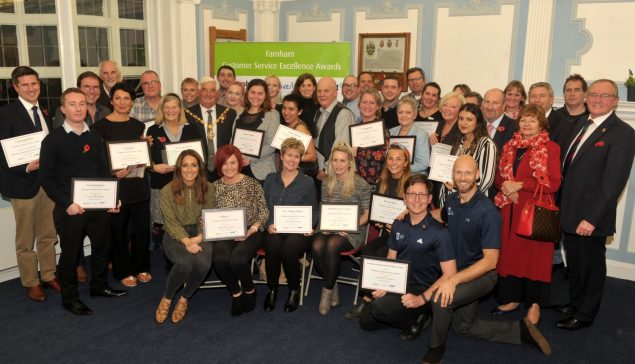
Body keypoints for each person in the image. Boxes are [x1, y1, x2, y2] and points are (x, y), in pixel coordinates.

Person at [420, 156, 551, 364]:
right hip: (458, 269)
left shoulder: (488, 212)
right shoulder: (453, 199)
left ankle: (435, 349)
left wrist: (452, 280)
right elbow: (441, 215)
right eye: (458, 173)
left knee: (440, 299)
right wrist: (414, 213)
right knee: (464, 327)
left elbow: (491, 262)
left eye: (468, 173)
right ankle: (521, 331)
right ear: (452, 174)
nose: (463, 178)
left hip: (481, 275)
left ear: (478, 175)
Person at [40, 87, 127, 315]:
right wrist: (67, 203)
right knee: (70, 254)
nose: (78, 109)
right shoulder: (52, 140)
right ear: (63, 109)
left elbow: (104, 170)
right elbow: (46, 179)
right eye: (72, 104)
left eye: (81, 104)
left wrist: (113, 197)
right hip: (70, 208)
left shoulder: (94, 136)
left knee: (102, 248)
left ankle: (98, 286)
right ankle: (70, 298)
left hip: (98, 206)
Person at [556, 79, 635, 330]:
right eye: (594, 95)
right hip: (570, 210)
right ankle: (575, 302)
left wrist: (591, 218)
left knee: (590, 266)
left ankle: (586, 313)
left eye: (605, 95)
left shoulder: (623, 133)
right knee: (575, 264)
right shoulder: (582, 123)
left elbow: (613, 184)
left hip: (590, 216)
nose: (597, 99)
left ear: (615, 101)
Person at [359, 174, 456, 339]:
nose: (417, 199)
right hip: (399, 283)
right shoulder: (398, 224)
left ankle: (422, 315)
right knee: (366, 322)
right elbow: (391, 257)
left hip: (422, 289)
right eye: (411, 194)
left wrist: (421, 299)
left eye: (422, 195)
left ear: (429, 198)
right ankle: (412, 319)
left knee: (378, 309)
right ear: (404, 198)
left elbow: (451, 273)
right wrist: (385, 285)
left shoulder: (440, 232)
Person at [492, 104, 562, 325]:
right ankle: (512, 298)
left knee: (534, 260)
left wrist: (519, 185)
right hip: (509, 208)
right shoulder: (509, 146)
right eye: (523, 119)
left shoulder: (550, 148)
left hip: (534, 211)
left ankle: (534, 305)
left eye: (532, 120)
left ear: (541, 123)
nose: (527, 124)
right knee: (510, 255)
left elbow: (553, 183)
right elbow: (498, 176)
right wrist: (506, 187)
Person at [0, 66, 59, 302]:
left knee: (48, 233)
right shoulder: (5, 113)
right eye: (25, 85)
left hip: (46, 183)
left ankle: (48, 274)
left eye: (34, 83)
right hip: (22, 183)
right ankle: (31, 282)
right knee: (25, 239)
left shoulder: (43, 111)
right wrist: (25, 166)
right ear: (15, 87)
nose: (31, 88)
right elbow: (2, 152)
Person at [92, 82, 151, 287]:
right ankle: (123, 271)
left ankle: (141, 267)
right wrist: (112, 173)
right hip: (116, 187)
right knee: (119, 232)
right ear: (111, 101)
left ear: (132, 102)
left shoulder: (138, 126)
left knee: (142, 230)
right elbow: (97, 161)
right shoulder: (99, 127)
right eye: (118, 98)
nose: (122, 102)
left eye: (127, 98)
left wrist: (147, 149)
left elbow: (141, 156)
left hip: (139, 184)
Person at [345, 143, 412, 320]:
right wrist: (382, 223)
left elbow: (421, 211)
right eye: (390, 158)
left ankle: (367, 299)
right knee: (367, 251)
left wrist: (405, 215)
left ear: (406, 162)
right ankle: (367, 295)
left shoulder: (413, 183)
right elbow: (378, 213)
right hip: (390, 234)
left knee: (381, 253)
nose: (394, 162)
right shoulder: (382, 182)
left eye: (399, 159)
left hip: (407, 238)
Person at [155, 150, 216, 324]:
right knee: (186, 261)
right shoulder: (167, 190)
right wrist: (187, 241)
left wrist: (197, 238)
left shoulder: (209, 189)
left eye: (194, 165)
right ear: (179, 168)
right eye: (185, 165)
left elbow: (208, 218)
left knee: (204, 263)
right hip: (175, 235)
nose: (189, 169)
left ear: (200, 168)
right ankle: (167, 298)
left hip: (200, 234)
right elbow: (171, 223)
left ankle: (184, 298)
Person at [312, 142, 371, 315]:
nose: (338, 164)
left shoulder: (361, 184)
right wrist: (325, 226)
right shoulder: (326, 182)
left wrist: (351, 225)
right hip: (330, 226)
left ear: (350, 163)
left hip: (353, 229)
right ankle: (332, 280)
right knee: (316, 246)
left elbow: (367, 215)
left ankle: (326, 290)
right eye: (335, 160)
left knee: (331, 246)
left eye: (342, 161)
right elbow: (324, 206)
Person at [262, 138, 319, 312]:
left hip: (298, 231)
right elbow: (263, 207)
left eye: (296, 156)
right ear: (281, 155)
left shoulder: (307, 182)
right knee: (272, 248)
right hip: (275, 228)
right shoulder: (270, 179)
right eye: (289, 155)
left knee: (288, 251)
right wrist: (268, 224)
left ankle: (294, 289)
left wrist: (310, 226)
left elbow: (314, 210)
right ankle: (272, 289)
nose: (292, 160)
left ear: (300, 159)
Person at [212, 145, 269, 316]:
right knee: (220, 259)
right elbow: (208, 212)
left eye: (233, 162)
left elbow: (264, 211)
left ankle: (250, 290)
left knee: (237, 259)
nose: (229, 167)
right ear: (218, 165)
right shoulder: (213, 187)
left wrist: (252, 229)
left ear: (239, 163)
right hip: (225, 230)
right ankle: (236, 294)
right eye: (224, 163)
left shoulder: (252, 183)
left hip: (250, 230)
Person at [147, 94, 201, 259]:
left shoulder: (191, 128)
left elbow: (199, 158)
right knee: (166, 224)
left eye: (174, 106)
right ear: (162, 109)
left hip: (188, 186)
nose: (170, 110)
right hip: (162, 185)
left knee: (186, 222)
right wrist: (154, 167)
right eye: (167, 107)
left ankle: (188, 255)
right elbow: (145, 160)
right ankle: (171, 259)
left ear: (180, 109)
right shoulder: (153, 131)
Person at [438, 103, 497, 207]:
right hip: (452, 204)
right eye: (461, 118)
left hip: (473, 205)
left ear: (478, 122)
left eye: (469, 119)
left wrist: (460, 192)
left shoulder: (486, 144)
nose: (463, 123)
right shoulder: (459, 142)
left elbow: (486, 181)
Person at [184, 76, 236, 181]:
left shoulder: (229, 114)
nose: (209, 94)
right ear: (198, 92)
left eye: (212, 90)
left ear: (217, 94)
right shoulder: (187, 114)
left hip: (224, 169)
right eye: (205, 90)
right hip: (197, 170)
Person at [234, 78, 280, 183]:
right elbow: (232, 139)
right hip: (238, 169)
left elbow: (272, 145)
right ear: (247, 93)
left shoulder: (273, 115)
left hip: (261, 171)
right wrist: (236, 158)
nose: (256, 96)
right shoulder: (239, 113)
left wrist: (249, 158)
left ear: (265, 96)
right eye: (253, 92)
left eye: (260, 93)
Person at [315, 77, 355, 180]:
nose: (322, 94)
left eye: (326, 91)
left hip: (334, 175)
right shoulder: (318, 113)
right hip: (319, 174)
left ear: (335, 93)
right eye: (319, 91)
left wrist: (325, 170)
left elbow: (341, 148)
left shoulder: (343, 114)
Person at [354, 88, 389, 186]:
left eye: (372, 103)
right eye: (364, 102)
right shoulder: (356, 129)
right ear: (359, 105)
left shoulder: (381, 130)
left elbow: (383, 156)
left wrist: (358, 151)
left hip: (376, 184)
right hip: (356, 183)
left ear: (377, 106)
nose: (367, 106)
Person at [389, 96, 431, 175]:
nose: (403, 115)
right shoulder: (391, 132)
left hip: (414, 178)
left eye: (408, 112)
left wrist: (400, 168)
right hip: (394, 175)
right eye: (400, 112)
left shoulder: (421, 134)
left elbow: (423, 164)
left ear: (414, 115)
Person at [280, 93, 318, 177]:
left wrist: (292, 159)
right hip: (290, 171)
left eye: (291, 109)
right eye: (284, 108)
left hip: (300, 175)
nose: (286, 112)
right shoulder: (287, 125)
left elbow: (312, 156)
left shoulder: (300, 129)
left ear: (300, 111)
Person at [528, 82, 570, 148]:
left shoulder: (563, 124)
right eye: (533, 96)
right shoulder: (522, 121)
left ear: (551, 100)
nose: (537, 100)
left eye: (542, 96)